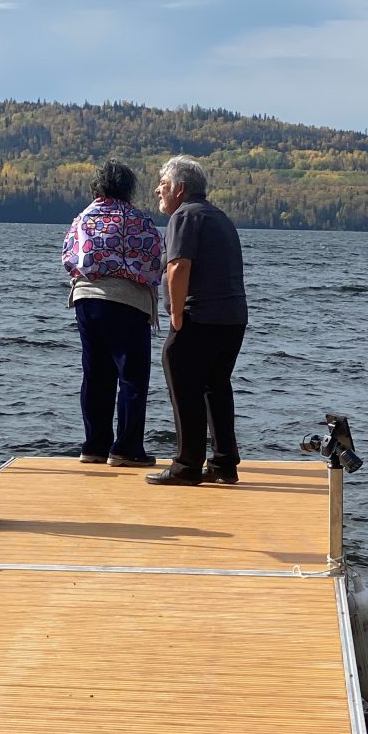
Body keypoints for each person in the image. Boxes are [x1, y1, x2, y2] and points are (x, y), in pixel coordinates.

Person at [146, 155, 247, 487]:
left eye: (163, 184)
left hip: (200, 315)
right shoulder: (218, 216)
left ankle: (187, 465)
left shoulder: (185, 216)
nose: (158, 190)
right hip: (232, 319)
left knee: (180, 375)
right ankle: (224, 463)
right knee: (216, 386)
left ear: (180, 188)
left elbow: (178, 266)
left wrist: (175, 314)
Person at [62, 159, 163, 466]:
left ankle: (94, 446)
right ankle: (127, 448)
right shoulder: (139, 219)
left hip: (87, 299)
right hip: (127, 301)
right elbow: (155, 260)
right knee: (131, 377)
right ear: (129, 187)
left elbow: (69, 255)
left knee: (95, 375)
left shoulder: (83, 217)